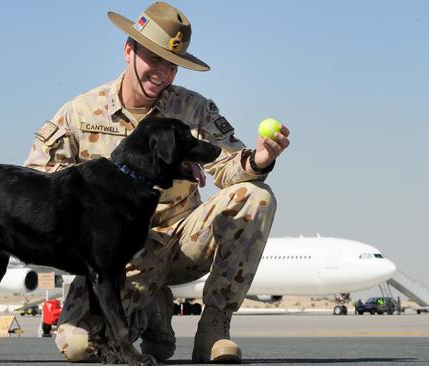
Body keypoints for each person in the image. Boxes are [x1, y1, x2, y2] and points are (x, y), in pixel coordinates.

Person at [23, 2, 290, 363]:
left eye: (172, 65)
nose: (163, 73)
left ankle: (214, 328)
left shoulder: (193, 110)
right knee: (78, 347)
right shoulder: (80, 112)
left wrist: (258, 161)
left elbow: (228, 167)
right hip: (118, 256)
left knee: (255, 196)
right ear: (128, 49)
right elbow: (38, 183)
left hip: (181, 240)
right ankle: (153, 310)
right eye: (154, 58)